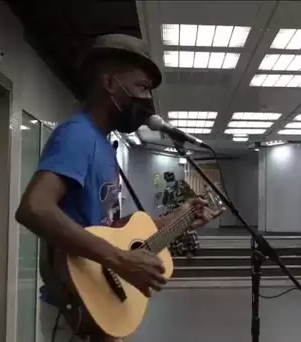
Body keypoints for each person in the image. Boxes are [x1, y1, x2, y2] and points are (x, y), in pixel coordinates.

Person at [15, 34, 221, 342]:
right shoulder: (78, 136)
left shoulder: (104, 145)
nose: (147, 99)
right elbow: (34, 208)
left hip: (100, 303)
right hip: (76, 309)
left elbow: (116, 231)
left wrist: (183, 217)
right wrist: (120, 260)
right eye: (141, 87)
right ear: (109, 83)